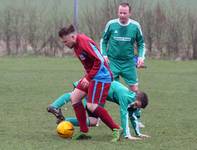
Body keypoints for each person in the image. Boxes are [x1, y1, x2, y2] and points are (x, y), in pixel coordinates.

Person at [52, 24, 122, 142]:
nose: (65, 44)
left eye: (65, 42)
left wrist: (88, 78)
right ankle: (84, 132)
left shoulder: (84, 42)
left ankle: (116, 129)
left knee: (91, 106)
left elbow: (99, 60)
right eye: (63, 42)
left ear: (73, 37)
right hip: (93, 76)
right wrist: (88, 77)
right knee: (75, 97)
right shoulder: (76, 45)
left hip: (102, 76)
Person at [47, 81, 150, 140]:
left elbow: (132, 116)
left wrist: (139, 133)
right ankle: (54, 106)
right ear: (135, 96)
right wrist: (128, 135)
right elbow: (124, 114)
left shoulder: (132, 102)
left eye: (138, 107)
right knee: (75, 96)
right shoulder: (124, 95)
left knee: (93, 121)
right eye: (136, 104)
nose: (135, 107)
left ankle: (65, 122)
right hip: (93, 85)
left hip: (97, 96)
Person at [100, 2, 146, 127]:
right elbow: (103, 41)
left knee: (134, 91)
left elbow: (141, 43)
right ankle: (97, 115)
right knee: (105, 90)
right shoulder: (111, 24)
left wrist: (141, 57)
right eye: (120, 12)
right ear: (118, 12)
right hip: (113, 62)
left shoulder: (135, 26)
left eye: (125, 13)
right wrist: (104, 55)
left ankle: (136, 117)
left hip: (129, 63)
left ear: (129, 13)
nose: (122, 15)